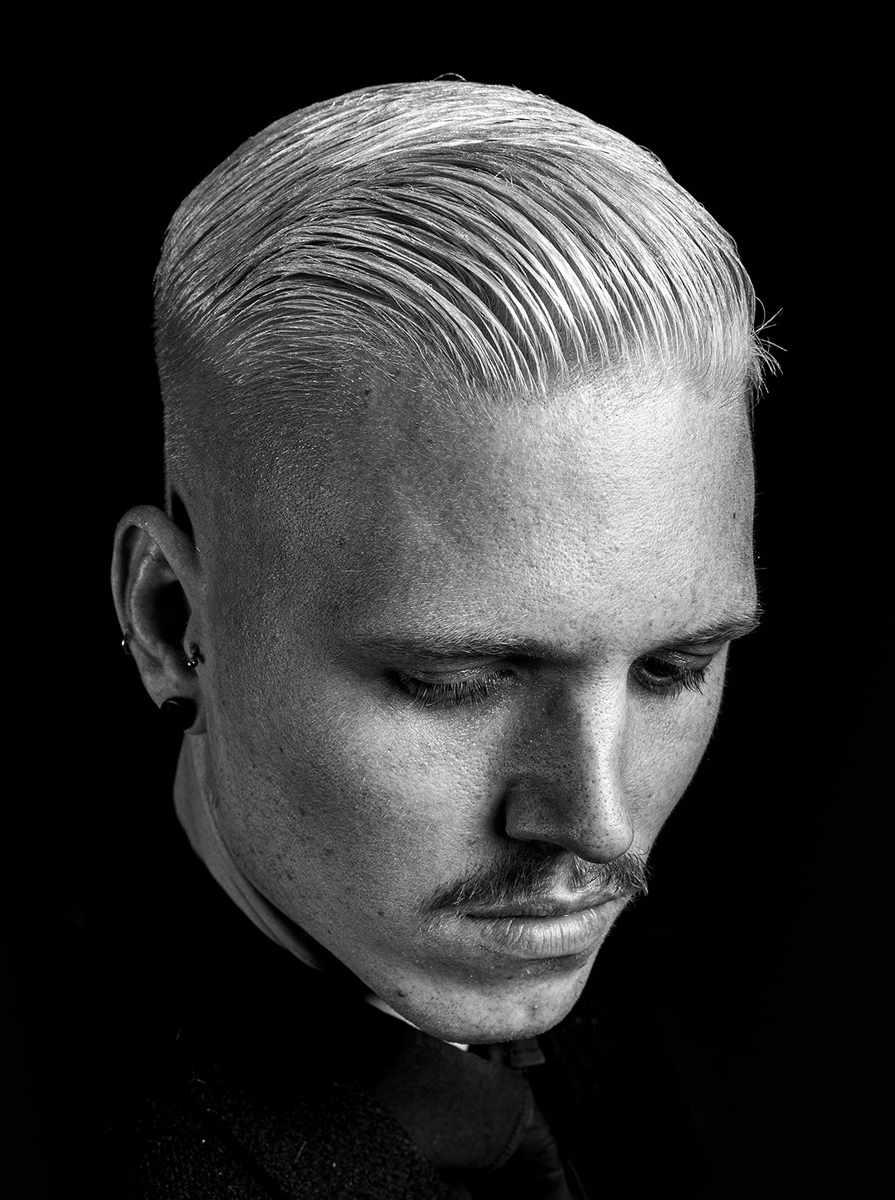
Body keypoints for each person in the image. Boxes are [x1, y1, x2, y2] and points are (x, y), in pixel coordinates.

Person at [108, 79, 774, 1199]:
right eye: (455, 681)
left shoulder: (591, 997)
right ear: (170, 621)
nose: (600, 824)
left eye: (674, 668)